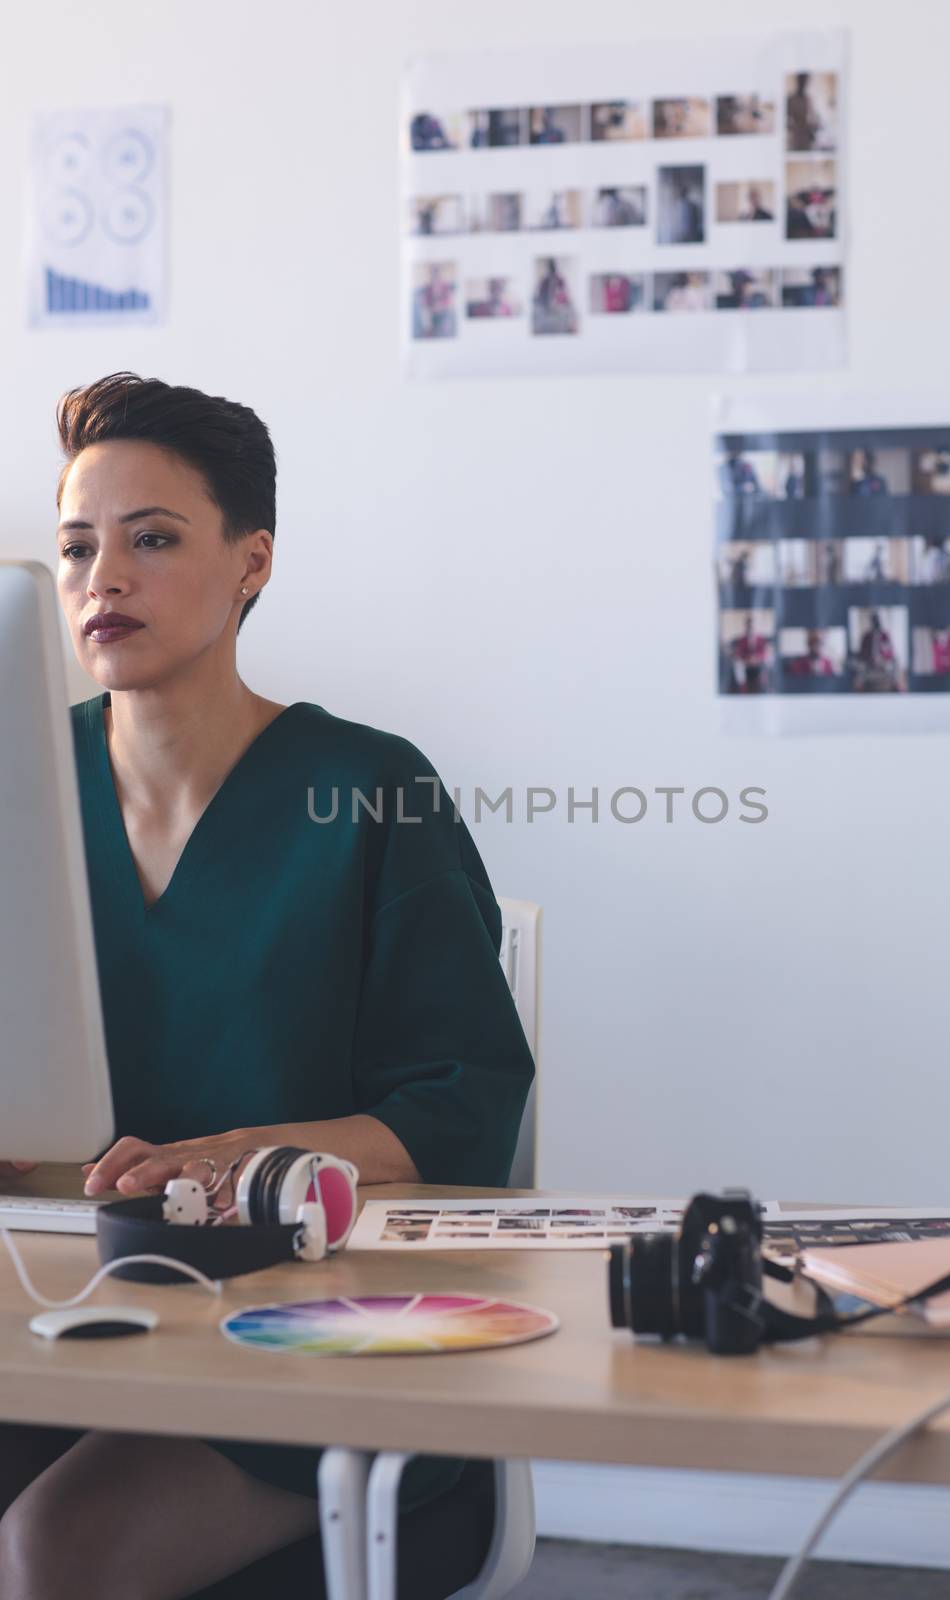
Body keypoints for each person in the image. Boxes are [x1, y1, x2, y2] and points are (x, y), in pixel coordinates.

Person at [0, 373, 535, 1599]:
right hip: (56, 1293)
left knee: (48, 1555)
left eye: (153, 539)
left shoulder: (370, 789)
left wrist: (238, 1152)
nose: (103, 578)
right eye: (79, 545)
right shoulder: (21, 783)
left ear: (253, 562)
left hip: (300, 1320)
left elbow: (461, 1103)